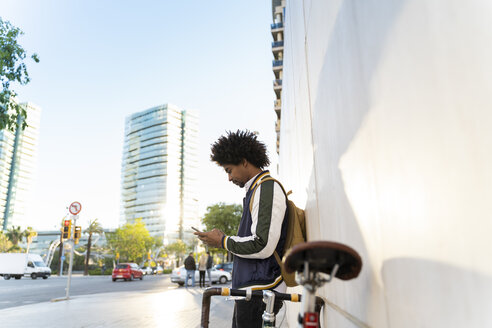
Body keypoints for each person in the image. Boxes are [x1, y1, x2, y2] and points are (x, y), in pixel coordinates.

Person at [195, 130, 288, 328]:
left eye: (229, 170)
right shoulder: (257, 190)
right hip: (251, 290)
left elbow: (262, 244)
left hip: (260, 290)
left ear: (244, 161)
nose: (229, 178)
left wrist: (222, 241)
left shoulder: (266, 188)